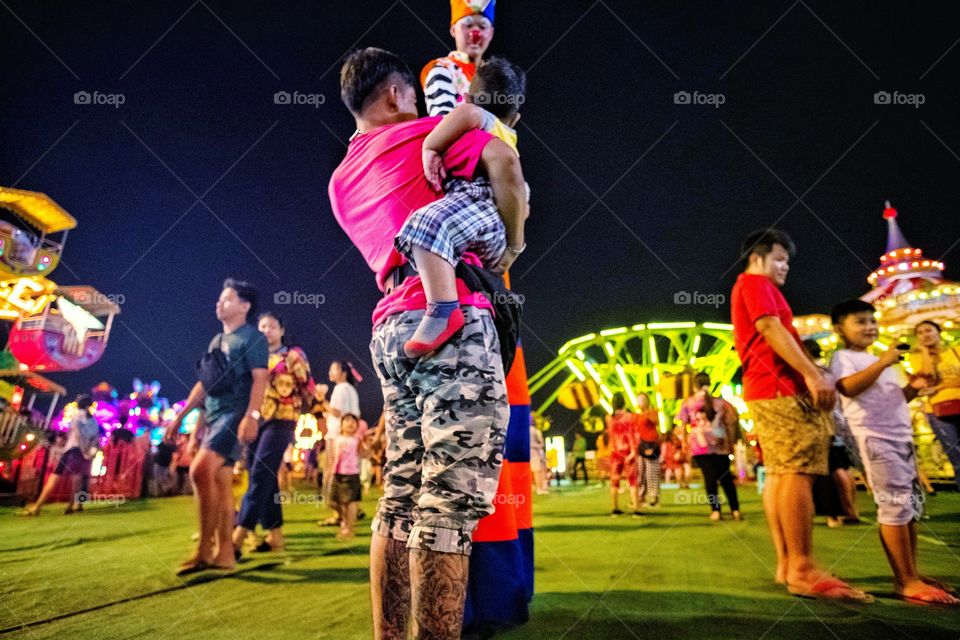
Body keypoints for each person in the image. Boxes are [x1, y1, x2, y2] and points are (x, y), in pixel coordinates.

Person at [329, 47, 523, 639]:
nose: (421, 105)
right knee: (446, 511)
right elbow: (506, 168)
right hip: (449, 324)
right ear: (394, 95)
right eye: (413, 94)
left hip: (389, 327)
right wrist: (512, 242)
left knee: (399, 499)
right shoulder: (423, 136)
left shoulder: (340, 182)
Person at [730, 228, 871, 602]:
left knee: (779, 474)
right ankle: (803, 568)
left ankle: (788, 564)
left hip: (764, 390)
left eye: (788, 262)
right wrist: (811, 374)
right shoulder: (757, 285)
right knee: (796, 473)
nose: (785, 267)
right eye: (779, 259)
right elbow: (770, 326)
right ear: (757, 258)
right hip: (781, 390)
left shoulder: (746, 287)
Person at [396, 57, 528, 358]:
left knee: (425, 224)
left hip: (479, 203)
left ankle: (443, 310)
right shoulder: (510, 135)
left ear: (467, 97)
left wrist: (430, 148)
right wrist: (512, 247)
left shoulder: (475, 115)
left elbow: (459, 117)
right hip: (497, 231)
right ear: (516, 118)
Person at [830, 299, 958, 606]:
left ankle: (912, 573)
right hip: (874, 437)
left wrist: (913, 387)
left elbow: (896, 397)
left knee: (908, 507)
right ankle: (905, 580)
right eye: (860, 322)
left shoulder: (880, 359)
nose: (870, 326)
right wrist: (883, 363)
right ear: (839, 329)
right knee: (894, 506)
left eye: (872, 321)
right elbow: (847, 387)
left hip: (900, 436)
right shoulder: (845, 357)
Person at [164, 279, 269, 575]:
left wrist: (253, 415)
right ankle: (224, 553)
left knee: (199, 471)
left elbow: (261, 379)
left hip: (235, 415)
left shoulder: (253, 338)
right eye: (219, 299)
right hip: (214, 415)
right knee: (222, 485)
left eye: (227, 299)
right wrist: (181, 416)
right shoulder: (215, 341)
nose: (219, 303)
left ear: (244, 306)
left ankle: (203, 550)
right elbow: (204, 384)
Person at [233, 311, 318, 554]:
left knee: (260, 472)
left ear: (281, 330)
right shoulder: (253, 357)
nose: (266, 330)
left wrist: (312, 413)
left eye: (272, 326)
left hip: (282, 420)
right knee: (263, 476)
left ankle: (238, 536)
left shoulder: (293, 355)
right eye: (262, 326)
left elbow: (308, 386)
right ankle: (275, 537)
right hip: (256, 420)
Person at [19, 395, 99, 516]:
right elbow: (94, 438)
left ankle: (38, 507)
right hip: (81, 452)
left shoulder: (76, 417)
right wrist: (88, 452)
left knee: (55, 478)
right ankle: (70, 506)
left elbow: (75, 433)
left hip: (72, 450)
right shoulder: (93, 422)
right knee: (76, 480)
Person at [421, 0, 496, 117]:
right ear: (453, 29)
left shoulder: (495, 77)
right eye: (468, 25)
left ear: (491, 33)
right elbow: (441, 124)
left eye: (482, 27)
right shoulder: (441, 70)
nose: (475, 34)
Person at [909, 320, 960, 491]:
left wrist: (940, 387)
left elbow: (935, 384)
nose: (925, 335)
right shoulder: (916, 357)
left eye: (929, 330)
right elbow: (926, 379)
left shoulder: (955, 351)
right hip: (938, 412)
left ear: (939, 332)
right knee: (956, 457)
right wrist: (924, 352)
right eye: (921, 332)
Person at [318, 359, 361, 526]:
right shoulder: (351, 389)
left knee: (330, 476)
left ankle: (340, 514)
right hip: (349, 436)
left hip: (336, 437)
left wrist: (322, 400)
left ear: (342, 373)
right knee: (346, 477)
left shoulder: (340, 388)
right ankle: (346, 512)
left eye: (333, 369)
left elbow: (336, 412)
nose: (330, 372)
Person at [689, 401, 741, 522]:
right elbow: (700, 444)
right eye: (698, 419)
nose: (701, 421)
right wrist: (700, 433)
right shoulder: (696, 430)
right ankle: (716, 510)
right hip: (703, 456)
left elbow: (717, 440)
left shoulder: (718, 426)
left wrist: (709, 430)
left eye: (703, 418)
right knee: (710, 481)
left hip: (721, 455)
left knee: (726, 480)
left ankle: (735, 509)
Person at [332, 413, 368, 540]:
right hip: (338, 474)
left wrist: (367, 445)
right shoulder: (336, 439)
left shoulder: (357, 440)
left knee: (351, 503)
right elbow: (332, 457)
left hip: (352, 474)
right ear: (341, 425)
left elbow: (364, 454)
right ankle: (344, 524)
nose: (350, 423)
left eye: (353, 421)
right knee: (339, 502)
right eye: (347, 420)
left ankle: (350, 528)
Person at [605, 393, 640, 516]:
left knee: (614, 481)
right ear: (624, 403)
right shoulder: (629, 417)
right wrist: (633, 451)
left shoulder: (609, 418)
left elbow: (610, 435)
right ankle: (636, 508)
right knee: (633, 480)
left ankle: (614, 508)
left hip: (614, 452)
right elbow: (633, 435)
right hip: (627, 452)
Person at [634, 394, 661, 508]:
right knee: (641, 472)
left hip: (651, 444)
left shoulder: (652, 412)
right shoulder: (636, 416)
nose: (640, 402)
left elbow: (656, 422)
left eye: (643, 400)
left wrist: (648, 413)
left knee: (651, 472)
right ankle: (641, 495)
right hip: (640, 445)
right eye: (639, 400)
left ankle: (653, 497)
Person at [530, 420, 549, 495]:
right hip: (536, 452)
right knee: (538, 471)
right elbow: (541, 443)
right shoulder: (536, 431)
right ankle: (539, 488)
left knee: (537, 471)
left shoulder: (526, 430)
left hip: (531, 452)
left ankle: (539, 487)